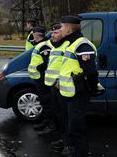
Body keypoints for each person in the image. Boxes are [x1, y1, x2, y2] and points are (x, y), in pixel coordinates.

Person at [59, 15, 104, 157]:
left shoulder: (82, 45)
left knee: (77, 129)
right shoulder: (71, 44)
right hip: (70, 94)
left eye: (61, 26)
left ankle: (80, 152)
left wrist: (91, 88)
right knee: (73, 126)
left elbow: (91, 71)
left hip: (79, 94)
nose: (60, 29)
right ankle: (73, 149)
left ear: (68, 28)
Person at [45, 23, 70, 151]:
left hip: (62, 87)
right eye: (52, 33)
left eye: (56, 33)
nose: (52, 35)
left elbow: (68, 67)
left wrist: (58, 82)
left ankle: (67, 144)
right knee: (58, 114)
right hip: (53, 86)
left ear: (63, 33)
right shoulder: (55, 46)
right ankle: (62, 139)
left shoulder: (67, 46)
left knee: (65, 116)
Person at [27, 26, 55, 135]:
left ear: (36, 35)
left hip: (43, 78)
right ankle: (46, 121)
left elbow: (47, 61)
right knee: (44, 101)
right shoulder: (40, 45)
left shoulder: (44, 46)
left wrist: (39, 68)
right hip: (38, 78)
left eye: (33, 34)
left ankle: (51, 125)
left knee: (47, 102)